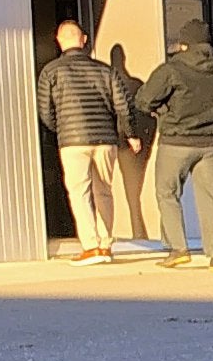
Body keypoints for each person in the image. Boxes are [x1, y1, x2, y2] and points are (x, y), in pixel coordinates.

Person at [34, 17, 148, 262]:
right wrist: (131, 134)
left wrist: (61, 129)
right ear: (84, 40)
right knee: (104, 191)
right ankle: (106, 245)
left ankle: (91, 246)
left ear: (59, 40)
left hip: (73, 141)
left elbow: (45, 110)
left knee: (80, 191)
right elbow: (123, 106)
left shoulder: (51, 71)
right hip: (106, 139)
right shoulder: (106, 71)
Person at [132, 24, 213, 271]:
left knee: (167, 193)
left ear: (184, 44)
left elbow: (143, 99)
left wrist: (162, 110)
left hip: (176, 142)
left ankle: (178, 249)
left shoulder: (171, 70)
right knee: (211, 198)